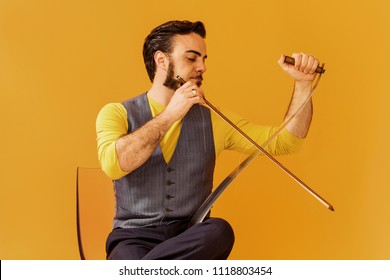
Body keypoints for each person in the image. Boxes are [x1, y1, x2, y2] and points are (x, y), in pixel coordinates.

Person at [96, 20, 320, 260]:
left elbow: (286, 142)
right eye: (192, 59)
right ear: (161, 60)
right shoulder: (116, 113)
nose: (202, 67)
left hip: (191, 238)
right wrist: (172, 113)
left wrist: (303, 84)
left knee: (219, 231)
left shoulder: (214, 121)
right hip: (134, 238)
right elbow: (114, 164)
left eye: (203, 59)